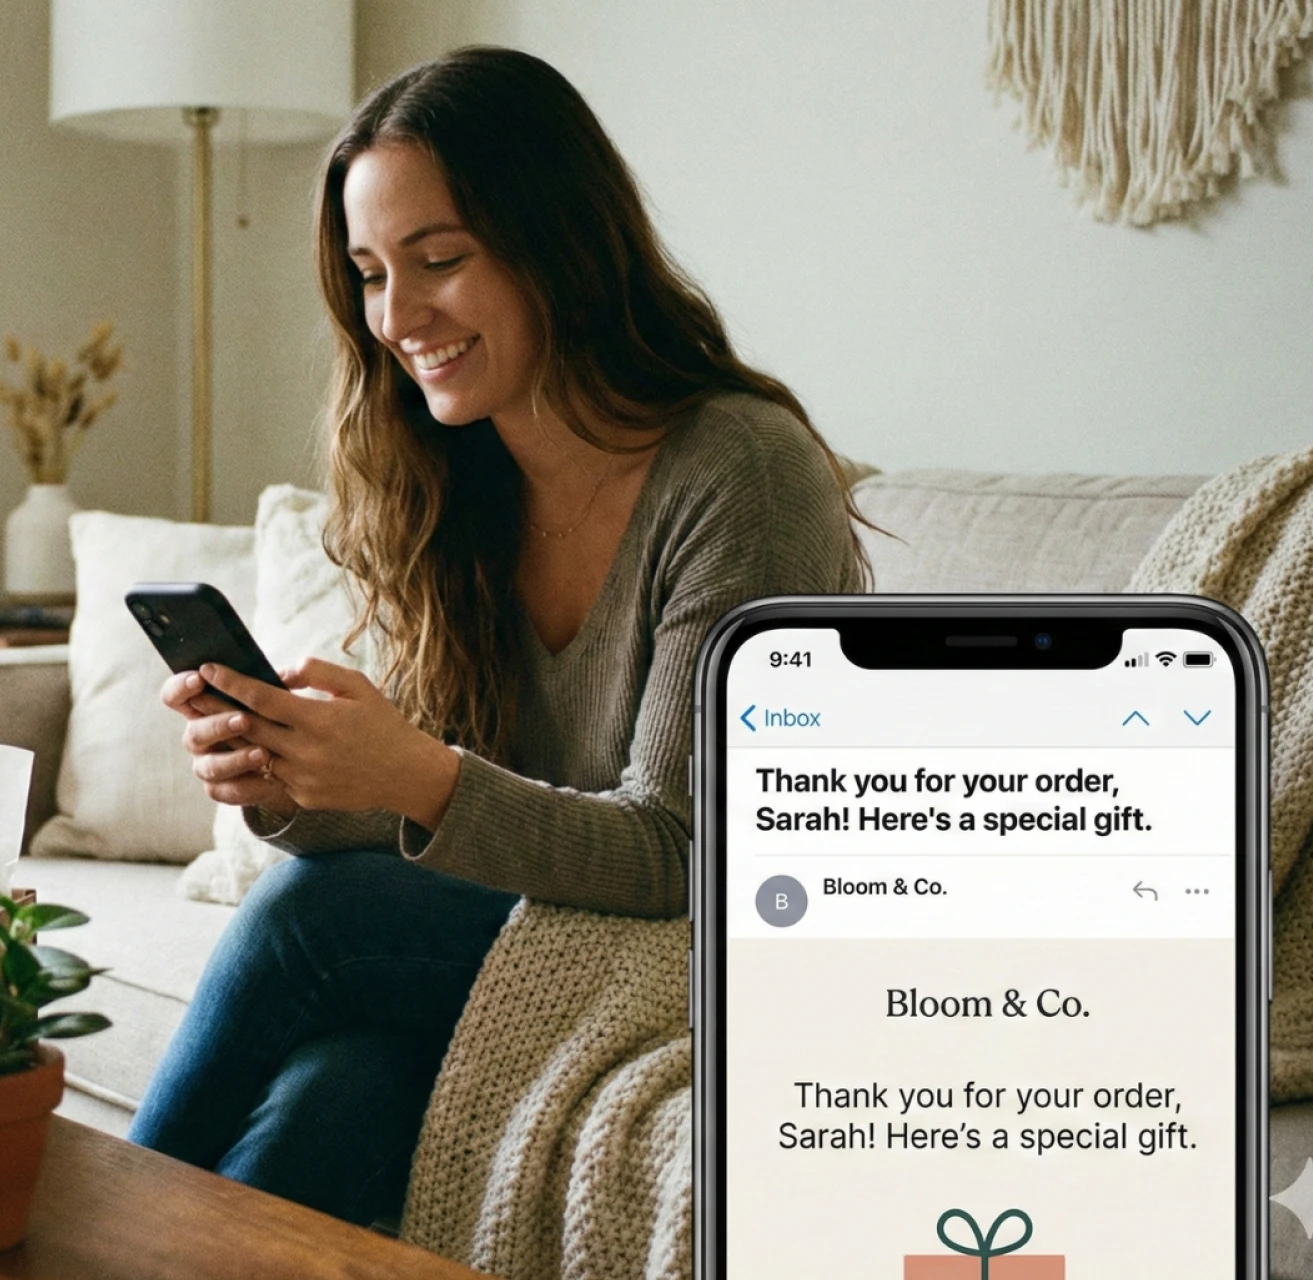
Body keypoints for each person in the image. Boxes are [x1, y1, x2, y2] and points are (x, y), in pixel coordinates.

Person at [126, 45, 870, 1228]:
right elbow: (478, 821)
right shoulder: (457, 482)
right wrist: (299, 779)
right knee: (338, 1093)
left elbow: (683, 852)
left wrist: (415, 776)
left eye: (441, 260)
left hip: (729, 950)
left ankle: (83, 1226)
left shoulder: (743, 472)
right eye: (371, 273)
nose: (398, 316)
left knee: (309, 920)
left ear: (560, 242)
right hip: (552, 930)